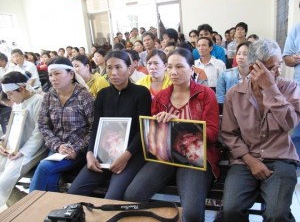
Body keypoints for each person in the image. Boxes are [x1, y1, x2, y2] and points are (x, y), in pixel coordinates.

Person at [124, 48, 220, 222]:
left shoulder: (205, 95)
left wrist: (179, 124)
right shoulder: (161, 98)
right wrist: (156, 127)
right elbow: (153, 136)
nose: (173, 72)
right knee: (132, 195)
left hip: (195, 158)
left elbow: (213, 135)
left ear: (192, 69)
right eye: (169, 67)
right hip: (166, 155)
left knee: (191, 213)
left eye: (180, 67)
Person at [221, 39, 300, 222]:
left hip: (281, 158)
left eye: (279, 64)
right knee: (231, 210)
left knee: (276, 214)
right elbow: (228, 134)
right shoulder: (234, 93)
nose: (278, 71)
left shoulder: (289, 87)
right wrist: (251, 161)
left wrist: (271, 89)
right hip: (245, 160)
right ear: (253, 70)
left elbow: (289, 123)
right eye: (272, 68)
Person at [68, 50, 151, 200]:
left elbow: (143, 130)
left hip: (132, 153)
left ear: (129, 68)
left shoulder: (141, 93)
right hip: (104, 152)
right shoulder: (103, 95)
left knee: (112, 197)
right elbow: (96, 127)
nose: (113, 73)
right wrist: (90, 153)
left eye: (119, 67)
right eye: (109, 67)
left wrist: (126, 156)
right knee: (74, 192)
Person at [29, 57, 94, 192]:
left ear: (71, 74)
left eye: (57, 74)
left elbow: (94, 129)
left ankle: (29, 207)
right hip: (56, 150)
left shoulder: (84, 97)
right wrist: (58, 146)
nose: (53, 78)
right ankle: (52, 209)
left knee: (44, 168)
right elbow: (43, 125)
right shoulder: (49, 97)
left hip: (79, 151)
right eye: (50, 75)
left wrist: (76, 149)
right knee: (52, 177)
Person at [0, 71, 46, 206]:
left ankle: (26, 209)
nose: (9, 98)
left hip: (33, 149)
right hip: (15, 146)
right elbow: (13, 126)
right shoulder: (17, 102)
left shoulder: (39, 101)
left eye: (10, 94)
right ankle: (23, 206)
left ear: (21, 89)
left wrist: (23, 151)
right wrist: (3, 141)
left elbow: (39, 133)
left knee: (4, 182)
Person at [283, 23, 300, 158]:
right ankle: (298, 169)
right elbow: (287, 59)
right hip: (299, 86)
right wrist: (294, 59)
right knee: (298, 132)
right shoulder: (296, 29)